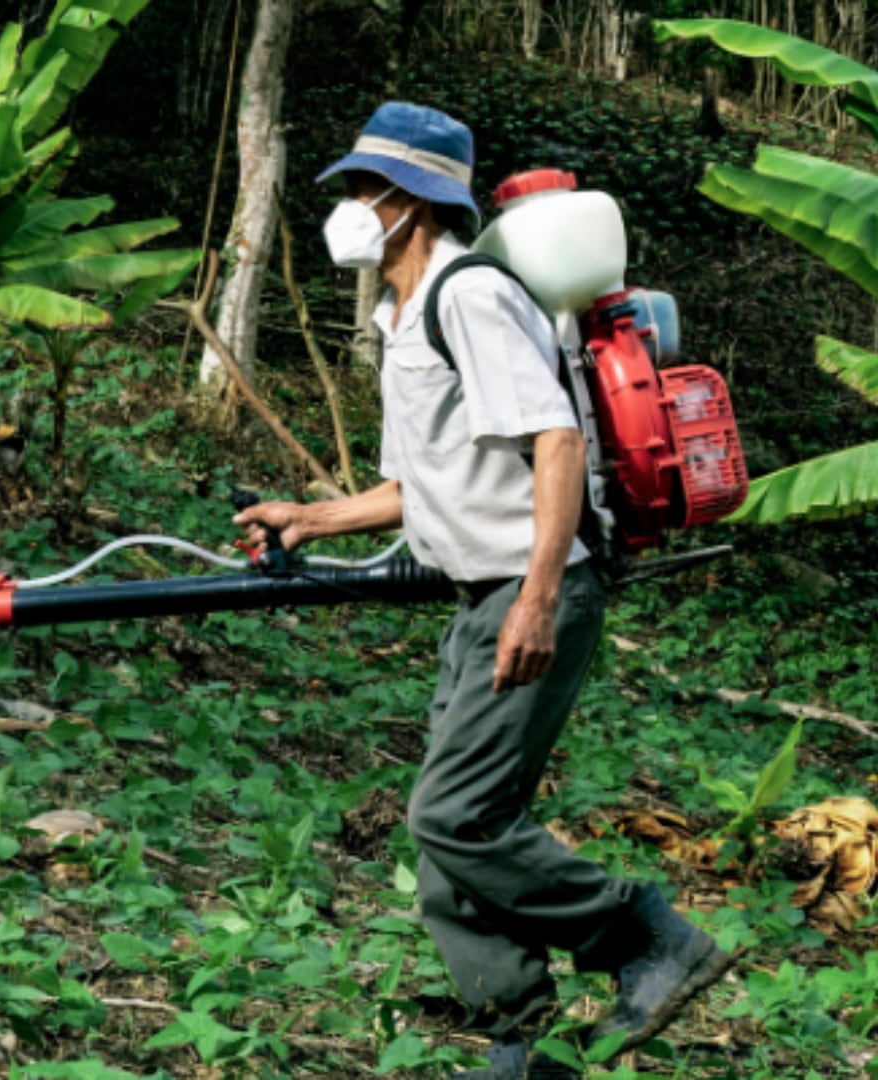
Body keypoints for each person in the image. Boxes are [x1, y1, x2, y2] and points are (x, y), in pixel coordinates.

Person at [235, 102, 734, 1079]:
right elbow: (416, 484)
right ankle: (528, 1046)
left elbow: (555, 439)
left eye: (362, 189)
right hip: (482, 597)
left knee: (456, 815)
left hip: (531, 587)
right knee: (449, 841)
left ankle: (647, 937)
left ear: (414, 202)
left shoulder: (468, 296)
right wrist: (309, 516)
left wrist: (538, 599)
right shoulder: (404, 313)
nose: (345, 205)